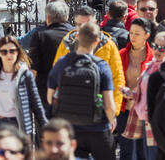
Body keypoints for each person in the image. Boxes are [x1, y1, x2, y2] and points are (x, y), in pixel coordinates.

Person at [47, 22, 118, 160]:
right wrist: (112, 119)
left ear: (77, 37)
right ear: (97, 41)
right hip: (98, 127)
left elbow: (50, 97)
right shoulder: (101, 66)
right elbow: (108, 104)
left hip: (69, 129)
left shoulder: (62, 62)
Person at [0, 35, 46, 145]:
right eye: (4, 52)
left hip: (18, 124)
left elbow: (36, 102)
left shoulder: (24, 73)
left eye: (12, 51)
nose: (9, 55)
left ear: (18, 52)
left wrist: (45, 126)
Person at [52, 5, 126, 113]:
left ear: (95, 23)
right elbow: (56, 76)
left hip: (99, 109)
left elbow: (117, 78)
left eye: (87, 25)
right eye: (79, 25)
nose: (83, 29)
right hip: (70, 108)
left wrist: (113, 112)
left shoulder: (108, 45)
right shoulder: (67, 43)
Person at [129, 30, 165, 160]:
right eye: (155, 46)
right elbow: (146, 92)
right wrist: (131, 93)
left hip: (156, 121)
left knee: (153, 156)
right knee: (142, 155)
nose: (157, 50)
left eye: (162, 48)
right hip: (143, 118)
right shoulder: (151, 66)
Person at [26, 0, 74, 115]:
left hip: (45, 88)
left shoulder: (40, 35)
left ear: (47, 17)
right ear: (66, 16)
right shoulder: (74, 34)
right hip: (71, 85)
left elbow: (33, 68)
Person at [116, 18, 154, 160]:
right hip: (125, 109)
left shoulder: (153, 57)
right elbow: (115, 79)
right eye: (131, 33)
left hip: (144, 112)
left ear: (147, 35)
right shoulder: (121, 55)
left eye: (137, 33)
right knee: (126, 152)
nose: (132, 36)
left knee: (143, 152)